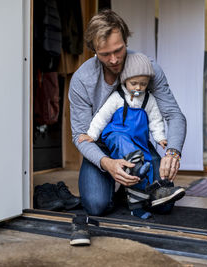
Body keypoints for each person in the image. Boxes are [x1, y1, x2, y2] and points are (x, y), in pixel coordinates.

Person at [69, 9, 186, 218]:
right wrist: (108, 163)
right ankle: (126, 184)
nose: (114, 60)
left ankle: (130, 188)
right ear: (93, 50)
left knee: (164, 206)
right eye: (105, 54)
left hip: (137, 144)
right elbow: (80, 136)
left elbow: (174, 115)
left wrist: (173, 152)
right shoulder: (81, 80)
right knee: (96, 206)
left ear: (126, 41)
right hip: (101, 148)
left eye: (119, 50)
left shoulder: (147, 69)